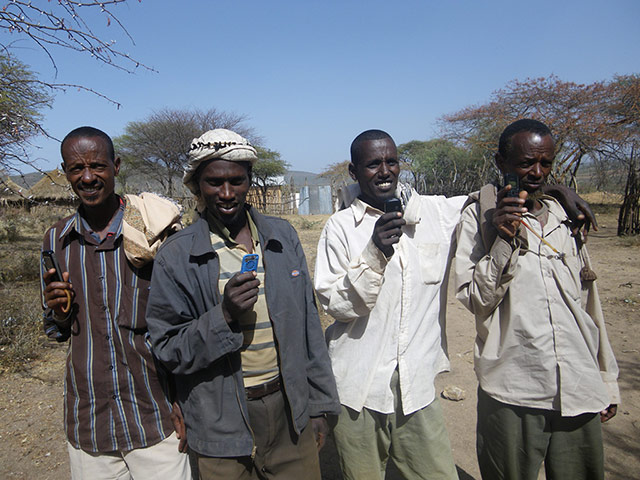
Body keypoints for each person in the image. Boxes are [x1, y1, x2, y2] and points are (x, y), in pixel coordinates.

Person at [314, 128, 598, 480]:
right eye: (373, 164)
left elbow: (488, 196)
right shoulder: (340, 228)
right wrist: (375, 252)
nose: (385, 171)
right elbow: (338, 308)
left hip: (417, 387)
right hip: (358, 388)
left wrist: (556, 191)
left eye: (391, 161)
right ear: (354, 173)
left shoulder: (435, 213)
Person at [145, 128, 340, 479]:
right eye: (214, 182)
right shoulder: (176, 256)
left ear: (250, 179)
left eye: (236, 181)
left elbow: (309, 326)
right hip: (221, 419)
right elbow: (167, 348)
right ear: (196, 185)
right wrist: (223, 315)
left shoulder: (282, 237)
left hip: (288, 411)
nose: (226, 193)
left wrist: (318, 405)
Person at [454, 119, 620, 480]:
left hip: (577, 383)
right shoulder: (478, 216)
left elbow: (589, 306)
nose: (537, 172)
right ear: (501, 162)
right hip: (513, 387)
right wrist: (503, 238)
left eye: (546, 163)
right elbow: (477, 300)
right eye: (526, 163)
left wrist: (605, 380)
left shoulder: (566, 217)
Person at [40, 127, 191, 479]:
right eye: (77, 169)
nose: (88, 177)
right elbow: (56, 329)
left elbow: (182, 324)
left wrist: (184, 398)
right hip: (90, 421)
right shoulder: (56, 240)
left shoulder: (155, 232)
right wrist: (59, 313)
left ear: (116, 166)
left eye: (98, 166)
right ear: (65, 172)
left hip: (155, 414)